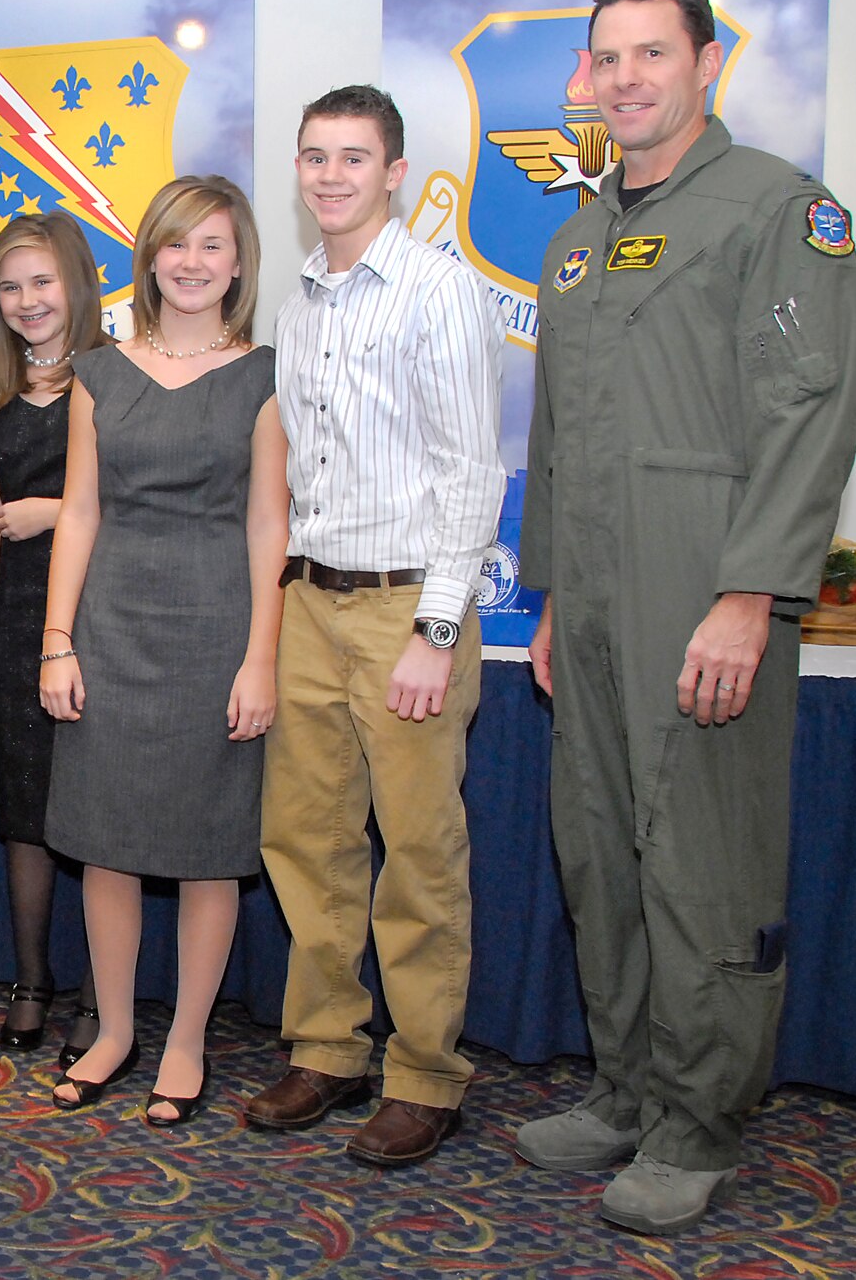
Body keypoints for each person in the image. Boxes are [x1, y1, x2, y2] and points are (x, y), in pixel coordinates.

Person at [517, 0, 856, 1234]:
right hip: (592, 604)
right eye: (603, 58)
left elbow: (805, 413)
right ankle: (624, 1090)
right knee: (596, 850)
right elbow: (556, 432)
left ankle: (697, 1121)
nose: (622, 79)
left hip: (703, 592)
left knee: (702, 865)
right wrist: (550, 595)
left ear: (704, 62)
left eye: (647, 54)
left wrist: (748, 592)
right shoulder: (574, 237)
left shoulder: (776, 210)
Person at [244, 86, 503, 1166]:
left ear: (393, 172)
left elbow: (471, 471)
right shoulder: (298, 304)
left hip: (409, 604)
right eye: (313, 157)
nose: (330, 175)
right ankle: (327, 1047)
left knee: (417, 851)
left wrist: (434, 629)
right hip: (310, 596)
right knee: (305, 841)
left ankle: (426, 1073)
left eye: (353, 157)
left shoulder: (440, 291)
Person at [39, 175, 288, 1126]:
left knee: (205, 852)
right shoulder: (98, 371)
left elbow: (271, 524)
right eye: (176, 244)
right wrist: (57, 643)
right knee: (103, 845)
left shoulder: (263, 373)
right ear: (148, 256)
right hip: (111, 629)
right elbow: (79, 512)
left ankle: (185, 1040)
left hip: (217, 629)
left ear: (238, 263)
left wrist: (260, 655)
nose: (191, 263)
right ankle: (111, 1030)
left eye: (213, 246)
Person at [0, 213, 103, 1062]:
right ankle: (30, 980)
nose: (27, 300)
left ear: (78, 283)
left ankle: (100, 992)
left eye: (42, 281)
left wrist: (56, 511)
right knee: (24, 812)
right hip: (18, 613)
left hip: (101, 614)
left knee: (94, 814)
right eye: (10, 287)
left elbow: (149, 503)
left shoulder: (122, 374)